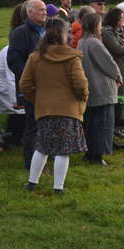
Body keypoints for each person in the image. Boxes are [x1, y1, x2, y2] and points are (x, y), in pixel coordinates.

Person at [20, 18, 88, 193]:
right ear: (63, 35)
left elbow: (25, 85)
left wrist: (37, 99)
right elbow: (80, 85)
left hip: (44, 109)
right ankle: (58, 187)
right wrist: (82, 98)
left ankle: (31, 183)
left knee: (42, 147)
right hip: (68, 109)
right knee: (62, 151)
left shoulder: (35, 58)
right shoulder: (72, 58)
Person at [7, 0, 48, 169]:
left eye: (45, 9)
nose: (45, 12)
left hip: (49, 86)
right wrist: (32, 76)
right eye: (41, 10)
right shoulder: (20, 33)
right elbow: (13, 61)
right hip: (31, 87)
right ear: (30, 13)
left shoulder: (46, 31)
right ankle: (30, 162)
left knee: (45, 124)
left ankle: (43, 158)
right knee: (33, 124)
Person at [78, 12, 121, 165]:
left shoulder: (81, 41)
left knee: (91, 124)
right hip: (102, 90)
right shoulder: (94, 43)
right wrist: (118, 77)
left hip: (91, 89)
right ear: (95, 25)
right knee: (103, 124)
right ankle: (97, 156)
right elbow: (108, 63)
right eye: (100, 24)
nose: (101, 27)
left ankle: (89, 153)